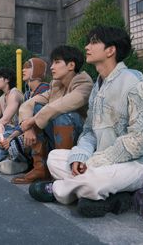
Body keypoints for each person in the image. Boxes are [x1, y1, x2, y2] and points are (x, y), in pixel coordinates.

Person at [29, 25, 143, 219]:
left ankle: (60, 190)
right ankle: (107, 196)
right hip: (100, 161)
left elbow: (141, 140)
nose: (86, 47)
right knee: (55, 158)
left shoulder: (136, 83)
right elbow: (89, 132)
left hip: (138, 165)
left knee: (94, 179)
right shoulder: (97, 87)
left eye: (93, 42)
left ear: (111, 50)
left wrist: (95, 162)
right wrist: (80, 157)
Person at [10, 45, 93, 184]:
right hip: (57, 136)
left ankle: (62, 170)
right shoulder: (56, 85)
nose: (52, 67)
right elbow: (27, 105)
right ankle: (40, 168)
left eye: (57, 62)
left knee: (61, 114)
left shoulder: (84, 83)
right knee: (38, 108)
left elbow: (61, 106)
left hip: (81, 140)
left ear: (71, 65)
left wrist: (32, 121)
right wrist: (28, 127)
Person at [0, 57, 49, 174]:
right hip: (27, 130)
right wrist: (9, 138)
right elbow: (21, 124)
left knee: (14, 144)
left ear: (37, 71)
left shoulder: (45, 89)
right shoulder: (27, 93)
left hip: (42, 133)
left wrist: (13, 138)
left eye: (28, 67)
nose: (23, 70)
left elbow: (41, 117)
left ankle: (32, 164)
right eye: (23, 67)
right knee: (2, 141)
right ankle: (22, 162)